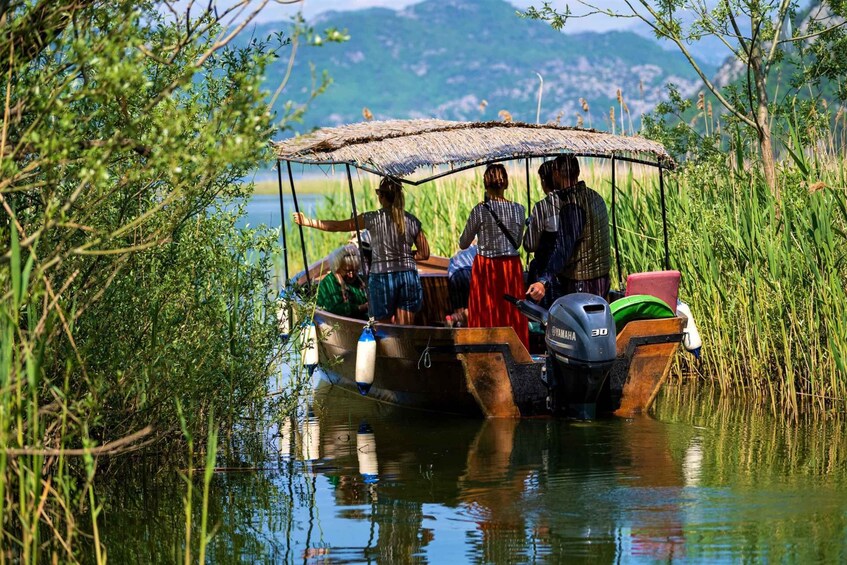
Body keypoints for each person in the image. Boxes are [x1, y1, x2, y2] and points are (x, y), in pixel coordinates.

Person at [293, 177, 430, 325]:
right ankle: (404, 348)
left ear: (381, 196)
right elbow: (424, 253)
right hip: (408, 276)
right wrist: (403, 257)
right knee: (405, 328)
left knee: (382, 328)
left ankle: (384, 348)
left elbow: (337, 226)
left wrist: (307, 222)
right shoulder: (412, 221)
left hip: (382, 277)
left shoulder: (372, 218)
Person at [524, 154, 611, 304]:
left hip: (582, 281)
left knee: (579, 325)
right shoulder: (595, 196)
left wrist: (543, 281)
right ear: (577, 172)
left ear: (556, 174)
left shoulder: (572, 205)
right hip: (602, 278)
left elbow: (563, 249)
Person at [458, 164, 529, 348]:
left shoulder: (480, 211)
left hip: (486, 267)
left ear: (485, 184)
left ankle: (484, 351)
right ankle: (516, 350)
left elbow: (463, 243)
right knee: (512, 312)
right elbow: (518, 242)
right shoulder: (519, 210)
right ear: (505, 183)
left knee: (485, 311)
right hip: (511, 267)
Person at [316, 244, 369, 319]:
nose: (351, 275)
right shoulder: (328, 284)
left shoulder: (359, 280)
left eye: (355, 270)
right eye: (347, 271)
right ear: (337, 268)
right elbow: (335, 310)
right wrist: (362, 307)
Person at [446, 244, 477, 327]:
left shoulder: (460, 253)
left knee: (459, 312)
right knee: (469, 309)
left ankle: (452, 319)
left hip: (454, 275)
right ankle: (469, 333)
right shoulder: (479, 249)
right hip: (467, 272)